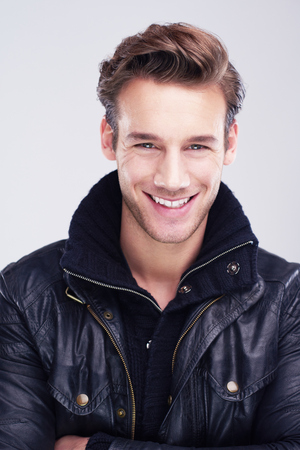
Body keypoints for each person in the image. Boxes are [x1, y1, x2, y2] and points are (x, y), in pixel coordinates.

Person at [0, 22, 300, 450]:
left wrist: (96, 448)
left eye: (197, 146)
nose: (172, 178)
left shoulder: (287, 300)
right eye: (147, 145)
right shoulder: (25, 297)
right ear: (110, 138)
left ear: (229, 144)